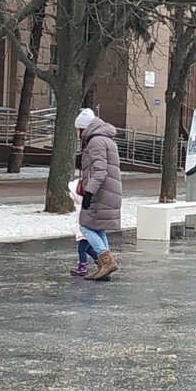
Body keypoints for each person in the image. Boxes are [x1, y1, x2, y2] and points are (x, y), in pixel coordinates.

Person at [74, 108, 122, 281]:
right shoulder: (106, 139)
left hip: (100, 193)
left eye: (79, 130)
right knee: (98, 228)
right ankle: (104, 266)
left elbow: (99, 172)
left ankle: (106, 262)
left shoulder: (96, 142)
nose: (79, 134)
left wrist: (89, 192)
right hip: (108, 191)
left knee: (85, 226)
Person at [67, 179, 99, 277]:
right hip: (87, 228)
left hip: (85, 229)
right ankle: (101, 260)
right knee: (88, 249)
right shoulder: (82, 203)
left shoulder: (81, 204)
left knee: (81, 250)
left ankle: (83, 267)